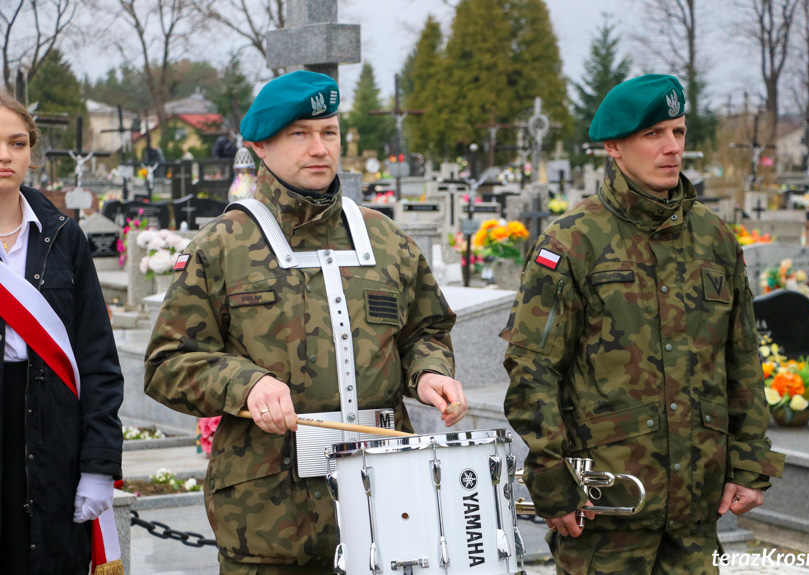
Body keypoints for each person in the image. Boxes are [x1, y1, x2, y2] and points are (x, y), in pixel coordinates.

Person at [144, 70, 467, 574]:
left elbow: (425, 331)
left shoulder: (385, 240)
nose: (319, 147)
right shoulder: (223, 245)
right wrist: (246, 384)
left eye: (329, 132)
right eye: (299, 133)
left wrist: (428, 372)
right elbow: (167, 363)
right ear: (262, 148)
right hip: (269, 524)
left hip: (387, 510)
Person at [502, 74, 785, 574]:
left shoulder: (714, 239)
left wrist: (749, 462)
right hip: (608, 513)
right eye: (653, 134)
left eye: (678, 132)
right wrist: (550, 477)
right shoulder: (572, 242)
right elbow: (533, 369)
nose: (672, 148)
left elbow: (741, 359)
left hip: (696, 512)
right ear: (614, 146)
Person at [0, 91, 124, 573]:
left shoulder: (63, 237)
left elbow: (97, 358)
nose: (4, 156)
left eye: (16, 143)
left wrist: (97, 466)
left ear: (32, 152)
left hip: (52, 439)